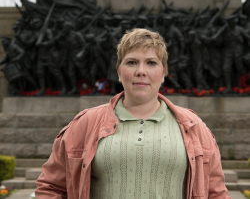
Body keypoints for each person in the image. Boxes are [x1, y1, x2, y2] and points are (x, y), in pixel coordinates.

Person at [35, 28, 231, 199]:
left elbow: (216, 194)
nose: (141, 71)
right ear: (119, 72)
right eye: (132, 62)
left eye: (151, 63)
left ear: (164, 73)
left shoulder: (194, 127)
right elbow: (50, 186)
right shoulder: (85, 124)